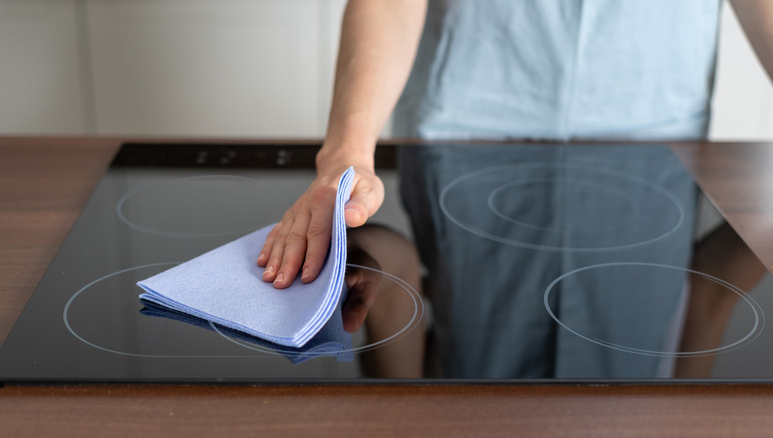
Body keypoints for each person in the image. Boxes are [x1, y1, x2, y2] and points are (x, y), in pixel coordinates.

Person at [258, 0, 771, 377]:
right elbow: (711, 293)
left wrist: (347, 169)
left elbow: (393, 289)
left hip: (651, 120)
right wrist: (345, 152)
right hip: (473, 120)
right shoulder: (677, 412)